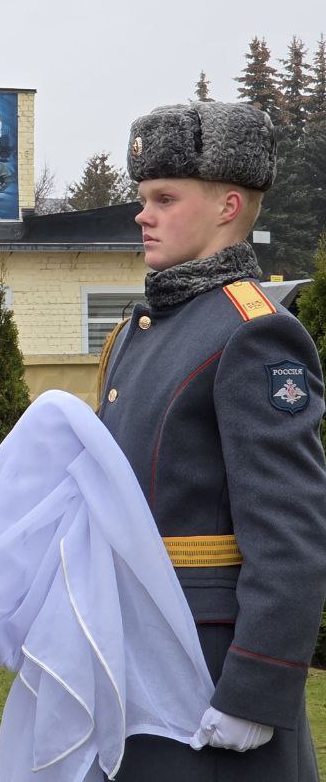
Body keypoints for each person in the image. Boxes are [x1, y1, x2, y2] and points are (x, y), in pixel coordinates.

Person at [97, 100, 326, 778]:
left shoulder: (253, 330)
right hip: (137, 642)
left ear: (228, 206)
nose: (143, 214)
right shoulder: (140, 331)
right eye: (143, 198)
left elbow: (289, 528)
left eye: (165, 198)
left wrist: (256, 686)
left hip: (208, 660)